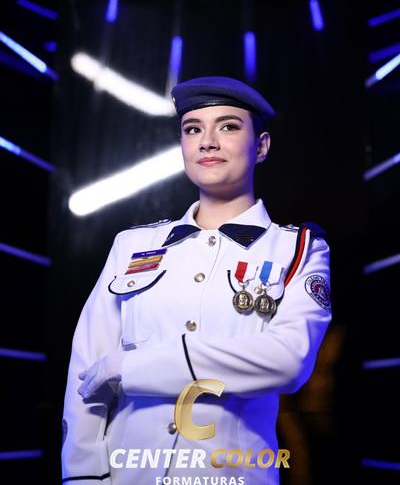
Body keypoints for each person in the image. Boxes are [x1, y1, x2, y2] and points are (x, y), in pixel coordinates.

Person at [61, 76, 331, 485]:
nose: (207, 142)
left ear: (261, 146)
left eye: (228, 126)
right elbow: (86, 374)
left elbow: (288, 360)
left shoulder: (298, 250)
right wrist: (83, 477)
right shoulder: (132, 246)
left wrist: (132, 367)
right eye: (192, 129)